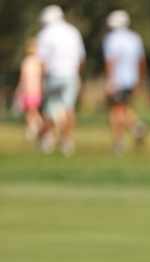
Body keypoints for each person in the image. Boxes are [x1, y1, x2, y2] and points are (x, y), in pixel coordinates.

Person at [36, 4, 86, 156]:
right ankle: (66, 142)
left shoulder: (45, 33)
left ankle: (48, 140)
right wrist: (78, 75)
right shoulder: (73, 31)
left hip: (53, 74)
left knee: (50, 108)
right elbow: (81, 57)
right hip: (71, 74)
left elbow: (42, 60)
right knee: (68, 109)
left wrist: (40, 80)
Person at [103, 9, 148, 154]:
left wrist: (110, 80)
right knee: (124, 108)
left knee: (116, 111)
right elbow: (141, 61)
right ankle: (137, 127)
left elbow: (111, 61)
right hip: (132, 79)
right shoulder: (134, 38)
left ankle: (119, 142)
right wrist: (141, 80)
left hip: (118, 79)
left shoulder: (111, 39)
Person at [15, 39, 43, 143]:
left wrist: (19, 89)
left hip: (28, 90)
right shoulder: (38, 61)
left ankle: (35, 128)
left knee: (30, 112)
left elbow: (23, 77)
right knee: (33, 111)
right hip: (37, 90)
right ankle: (37, 126)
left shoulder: (26, 62)